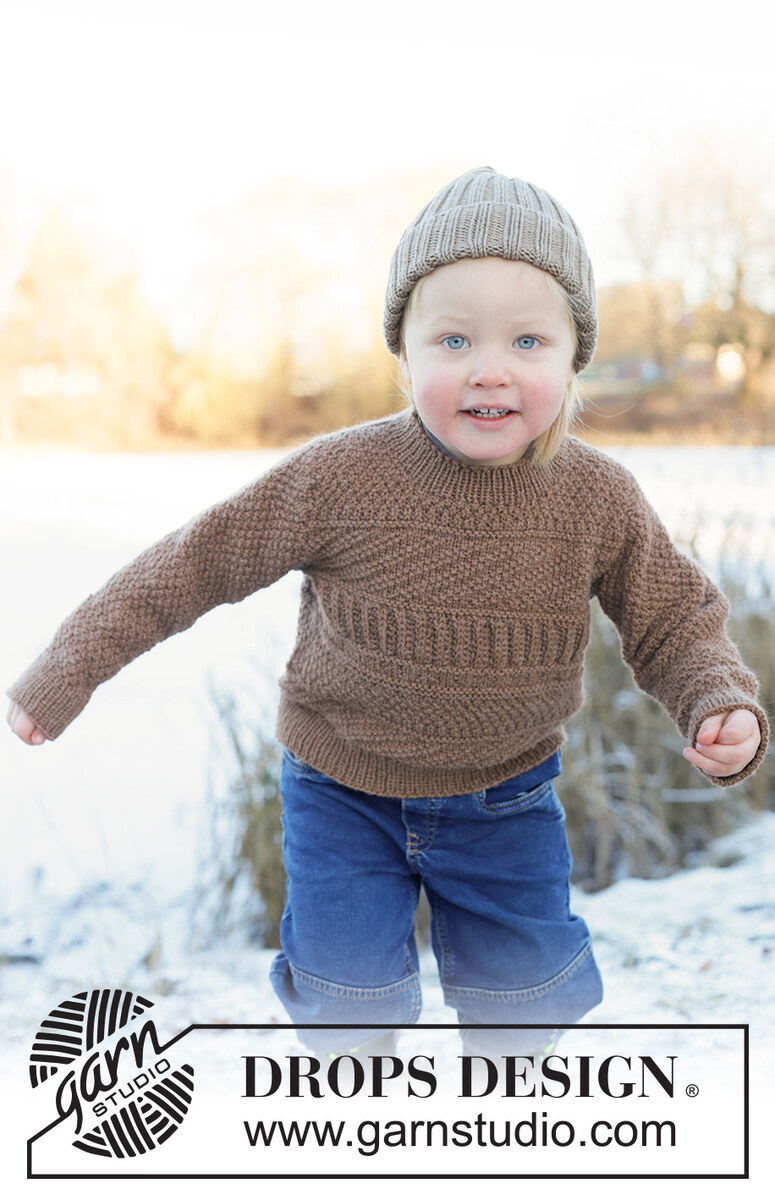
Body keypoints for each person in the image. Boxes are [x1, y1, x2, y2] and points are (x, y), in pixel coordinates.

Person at [7, 167, 767, 1059]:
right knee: (347, 1000)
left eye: (527, 339)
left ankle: (504, 1113)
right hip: (342, 789)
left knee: (523, 1001)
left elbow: (672, 618)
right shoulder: (340, 477)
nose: (489, 368)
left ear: (573, 358)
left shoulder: (597, 496)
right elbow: (192, 566)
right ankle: (355, 1111)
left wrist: (717, 700)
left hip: (507, 796)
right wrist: (68, 668)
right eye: (452, 339)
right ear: (403, 357)